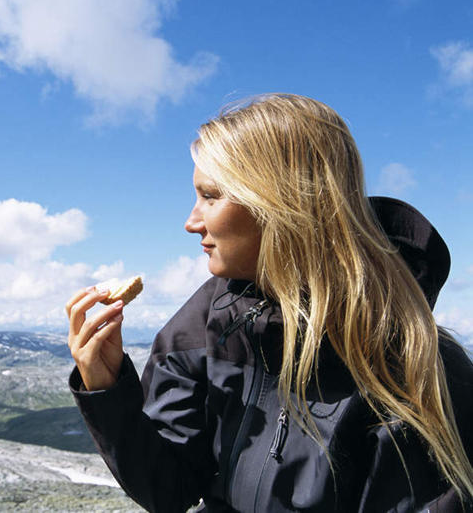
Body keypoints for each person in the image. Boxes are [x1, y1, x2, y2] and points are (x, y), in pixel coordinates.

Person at [66, 94, 473, 512]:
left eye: (211, 196)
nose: (191, 222)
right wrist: (105, 387)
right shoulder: (207, 319)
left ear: (280, 203)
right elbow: (169, 490)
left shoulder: (419, 369)